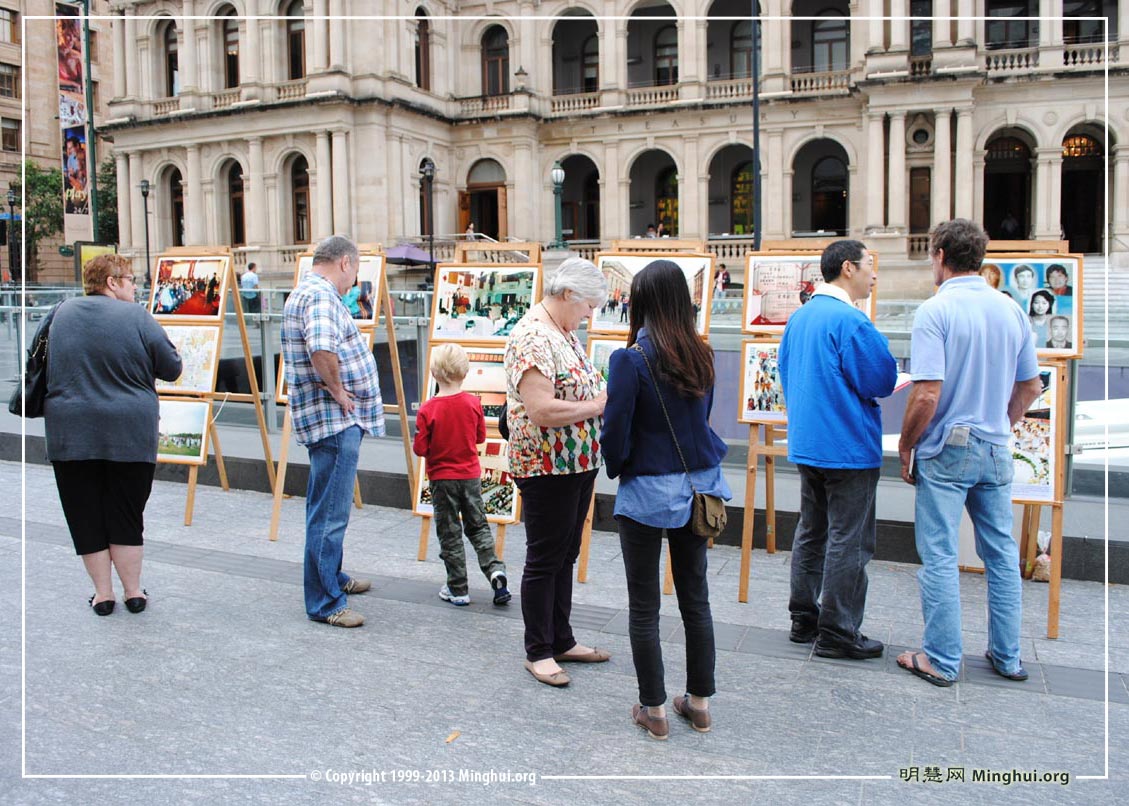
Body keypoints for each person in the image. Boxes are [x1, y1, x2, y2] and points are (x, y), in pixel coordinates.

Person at [897, 219, 1044, 687]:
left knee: (939, 554)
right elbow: (1031, 385)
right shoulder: (1010, 309)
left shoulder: (936, 311)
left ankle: (941, 659)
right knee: (1001, 554)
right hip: (996, 445)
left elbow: (926, 394)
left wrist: (906, 444)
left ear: (940, 255)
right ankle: (1008, 656)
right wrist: (1003, 421)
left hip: (947, 446)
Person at [601, 259, 730, 740]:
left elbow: (616, 429)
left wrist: (618, 465)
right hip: (699, 488)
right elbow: (701, 419)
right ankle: (699, 704)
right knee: (696, 599)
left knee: (644, 605)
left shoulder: (630, 359)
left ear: (642, 302)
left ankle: (654, 710)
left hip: (648, 489)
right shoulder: (702, 353)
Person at [778, 240, 898, 659]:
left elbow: (786, 371)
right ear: (848, 268)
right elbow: (881, 379)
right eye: (869, 265)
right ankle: (838, 630)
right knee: (850, 539)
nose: (873, 274)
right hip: (847, 444)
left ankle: (803, 616)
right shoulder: (851, 321)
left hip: (808, 442)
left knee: (812, 530)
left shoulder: (801, 316)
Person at [44, 254, 182, 616]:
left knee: (84, 513)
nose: (135, 286)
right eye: (131, 280)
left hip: (70, 432)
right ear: (112, 282)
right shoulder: (136, 316)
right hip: (129, 432)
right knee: (126, 512)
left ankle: (103, 595)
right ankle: (134, 592)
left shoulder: (60, 313)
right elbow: (171, 368)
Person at [503, 257, 610, 687]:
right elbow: (541, 409)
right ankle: (539, 650)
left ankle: (561, 638)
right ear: (567, 295)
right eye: (588, 306)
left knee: (565, 554)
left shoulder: (561, 331)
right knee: (546, 557)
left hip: (574, 463)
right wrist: (597, 406)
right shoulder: (533, 336)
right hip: (547, 465)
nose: (589, 315)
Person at [281, 235, 383, 629]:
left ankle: (332, 576)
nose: (353, 281)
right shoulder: (321, 296)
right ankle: (326, 602)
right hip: (334, 420)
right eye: (354, 271)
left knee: (324, 507)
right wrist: (339, 391)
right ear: (344, 262)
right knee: (330, 514)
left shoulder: (307, 292)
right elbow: (321, 348)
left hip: (330, 420)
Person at [413, 343, 510, 607]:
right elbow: (479, 437)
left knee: (450, 532)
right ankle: (495, 571)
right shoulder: (473, 403)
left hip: (442, 479)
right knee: (478, 526)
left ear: (434, 373)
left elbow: (420, 448)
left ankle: (457, 588)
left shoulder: (427, 409)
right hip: (470, 477)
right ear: (465, 373)